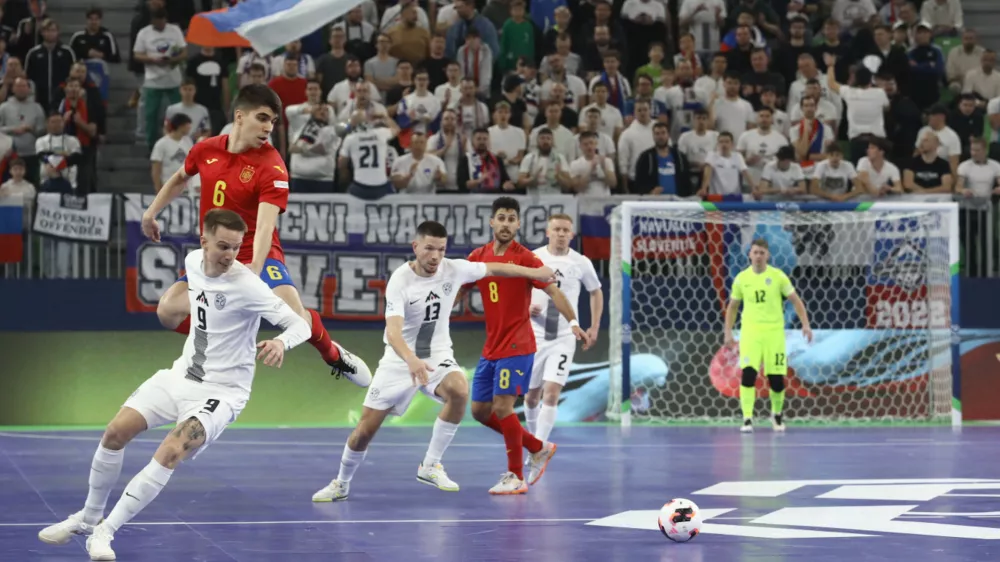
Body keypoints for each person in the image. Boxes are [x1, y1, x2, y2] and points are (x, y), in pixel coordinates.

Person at [37, 209, 312, 560]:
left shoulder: (248, 285)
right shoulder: (194, 262)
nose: (229, 255)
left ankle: (106, 532)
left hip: (221, 393)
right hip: (180, 376)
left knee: (171, 451)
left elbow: (300, 325)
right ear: (204, 241)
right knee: (114, 433)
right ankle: (88, 519)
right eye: (223, 246)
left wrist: (280, 342)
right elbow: (180, 304)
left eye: (236, 248)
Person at [140, 84, 372, 387]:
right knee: (168, 312)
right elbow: (181, 177)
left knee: (296, 320)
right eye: (262, 118)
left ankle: (333, 354)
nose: (268, 128)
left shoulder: (272, 165)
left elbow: (264, 226)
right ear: (239, 116)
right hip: (216, 256)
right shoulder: (206, 149)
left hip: (255, 253)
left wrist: (254, 270)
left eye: (273, 121)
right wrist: (150, 212)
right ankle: (228, 332)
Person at [312, 220, 557, 501]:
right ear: (415, 247)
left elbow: (499, 267)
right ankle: (341, 483)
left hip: (438, 356)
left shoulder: (454, 269)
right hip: (399, 361)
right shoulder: (400, 280)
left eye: (441, 249)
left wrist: (536, 271)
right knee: (364, 432)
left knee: (459, 389)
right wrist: (412, 360)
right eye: (429, 248)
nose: (435, 256)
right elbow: (393, 333)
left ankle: (430, 464)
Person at [466, 197, 594, 495]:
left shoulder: (527, 258)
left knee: (503, 406)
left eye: (512, 218)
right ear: (492, 222)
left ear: (519, 224)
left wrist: (574, 323)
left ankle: (515, 475)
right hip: (491, 347)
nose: (507, 223)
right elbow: (455, 287)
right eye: (502, 217)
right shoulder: (477, 257)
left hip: (519, 344)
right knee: (480, 412)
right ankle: (538, 447)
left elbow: (555, 291)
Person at [524, 214, 602, 463]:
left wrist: (594, 326)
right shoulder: (533, 258)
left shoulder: (580, 262)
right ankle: (533, 441)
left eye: (565, 230)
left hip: (564, 337)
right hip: (535, 335)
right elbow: (517, 290)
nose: (560, 233)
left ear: (571, 234)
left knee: (551, 393)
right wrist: (525, 308)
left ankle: (538, 449)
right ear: (547, 232)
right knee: (531, 396)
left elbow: (596, 292)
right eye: (556, 229)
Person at [724, 238, 813, 434]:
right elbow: (732, 307)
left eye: (762, 253)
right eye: (755, 252)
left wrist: (805, 324)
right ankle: (747, 418)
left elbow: (796, 301)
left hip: (774, 333)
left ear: (768, 255)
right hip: (750, 333)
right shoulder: (741, 278)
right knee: (748, 374)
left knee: (776, 378)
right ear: (749, 254)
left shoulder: (778, 277)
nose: (758, 256)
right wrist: (728, 331)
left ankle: (777, 415)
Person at [338, 111, 400, 199]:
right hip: (381, 185)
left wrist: (345, 176)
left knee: (351, 208)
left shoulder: (350, 139)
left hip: (360, 185)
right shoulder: (380, 133)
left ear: (352, 123)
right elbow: (396, 129)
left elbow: (341, 163)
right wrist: (384, 116)